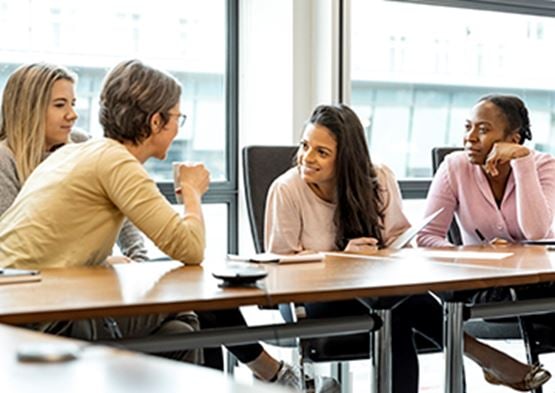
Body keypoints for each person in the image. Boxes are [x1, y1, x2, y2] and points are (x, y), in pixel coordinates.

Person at [0, 60, 335, 393]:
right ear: (155, 121)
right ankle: (272, 376)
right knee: (190, 311)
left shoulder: (78, 153)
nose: (178, 128)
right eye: (177, 118)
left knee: (182, 331)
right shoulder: (113, 161)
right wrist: (191, 191)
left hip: (27, 304)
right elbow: (189, 248)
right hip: (39, 314)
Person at [264, 103, 550, 392]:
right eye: (305, 145)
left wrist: (381, 253)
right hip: (309, 297)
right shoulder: (286, 189)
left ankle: (483, 356)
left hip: (372, 292)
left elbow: (400, 241)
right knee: (394, 306)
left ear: (347, 158)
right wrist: (339, 259)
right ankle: (481, 353)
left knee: (393, 309)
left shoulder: (379, 179)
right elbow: (280, 265)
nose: (306, 158)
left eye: (321, 152)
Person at [416, 94, 553, 390]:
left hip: (540, 285)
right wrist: (473, 254)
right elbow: (426, 237)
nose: (469, 137)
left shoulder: (543, 166)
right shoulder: (455, 167)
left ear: (512, 139)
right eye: (468, 127)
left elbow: (537, 232)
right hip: (487, 289)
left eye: (483, 129)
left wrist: (523, 162)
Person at [0, 62, 147, 263]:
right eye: (60, 105)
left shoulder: (82, 142)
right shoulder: (4, 160)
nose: (73, 114)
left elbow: (121, 208)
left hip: (91, 283)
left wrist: (140, 262)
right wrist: (102, 266)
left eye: (73, 104)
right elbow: (17, 251)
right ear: (29, 108)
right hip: (30, 286)